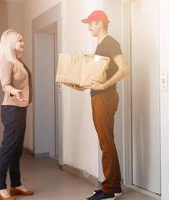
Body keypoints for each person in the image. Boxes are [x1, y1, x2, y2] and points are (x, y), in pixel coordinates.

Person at [65, 10, 130, 200]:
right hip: (99, 96)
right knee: (107, 140)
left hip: (105, 97)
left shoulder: (110, 43)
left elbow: (124, 69)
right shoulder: (100, 45)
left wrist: (104, 86)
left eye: (91, 24)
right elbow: (98, 76)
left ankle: (108, 190)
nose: (88, 27)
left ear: (100, 23)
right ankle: (114, 185)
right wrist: (79, 84)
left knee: (105, 142)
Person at [0, 29, 34, 200]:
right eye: (20, 41)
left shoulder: (18, 61)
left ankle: (16, 184)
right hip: (11, 109)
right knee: (9, 148)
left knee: (17, 150)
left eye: (22, 40)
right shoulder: (6, 62)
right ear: (10, 44)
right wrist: (14, 91)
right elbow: (5, 85)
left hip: (20, 109)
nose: (23, 43)